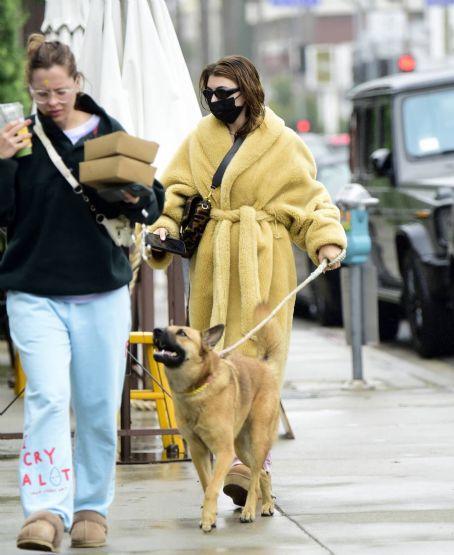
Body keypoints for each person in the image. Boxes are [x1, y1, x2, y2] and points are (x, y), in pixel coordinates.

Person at [145, 55, 347, 506]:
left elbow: (312, 202)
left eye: (224, 94)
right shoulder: (200, 138)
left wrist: (326, 241)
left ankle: (257, 477)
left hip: (264, 267)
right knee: (213, 367)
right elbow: (174, 196)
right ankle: (233, 468)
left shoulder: (284, 143)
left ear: (248, 91)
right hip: (213, 267)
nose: (215, 102)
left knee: (256, 374)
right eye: (209, 95)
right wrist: (163, 231)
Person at [0, 34, 164, 552]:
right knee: (48, 399)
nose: (52, 102)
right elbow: (4, 215)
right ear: (30, 89)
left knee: (96, 404)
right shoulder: (19, 138)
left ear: (77, 83)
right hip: (34, 290)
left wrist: (135, 195)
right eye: (42, 93)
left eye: (61, 91)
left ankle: (92, 505)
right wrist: (2, 161)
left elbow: (151, 203)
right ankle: (46, 508)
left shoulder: (108, 133)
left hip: (102, 290)